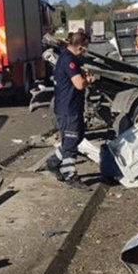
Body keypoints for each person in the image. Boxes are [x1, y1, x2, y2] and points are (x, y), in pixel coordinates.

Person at [45, 30, 92, 189]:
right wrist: (88, 80)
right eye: (85, 48)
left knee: (76, 137)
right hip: (68, 108)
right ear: (80, 47)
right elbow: (79, 84)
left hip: (69, 106)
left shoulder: (67, 56)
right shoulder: (69, 60)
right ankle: (70, 174)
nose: (85, 51)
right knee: (71, 141)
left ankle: (53, 163)